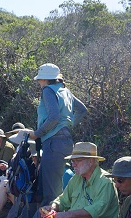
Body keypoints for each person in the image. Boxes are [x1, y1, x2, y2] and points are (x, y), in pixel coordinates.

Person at [28, 63, 88, 206]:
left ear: (45, 79)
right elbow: (82, 110)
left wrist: (36, 134)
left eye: (40, 79)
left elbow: (54, 117)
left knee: (51, 194)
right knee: (53, 187)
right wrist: (68, 124)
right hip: (66, 142)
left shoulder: (48, 90)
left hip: (54, 143)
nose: (39, 82)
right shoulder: (65, 91)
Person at [38, 142, 119, 218]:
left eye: (77, 161)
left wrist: (67, 215)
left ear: (90, 161)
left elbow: (96, 211)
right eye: (72, 161)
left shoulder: (105, 182)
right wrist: (52, 207)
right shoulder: (76, 178)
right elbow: (63, 200)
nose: (73, 164)